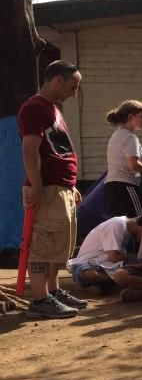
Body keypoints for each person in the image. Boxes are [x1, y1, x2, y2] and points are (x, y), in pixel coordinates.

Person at [18, 60, 88, 319]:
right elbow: (30, 149)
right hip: (46, 188)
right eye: (73, 86)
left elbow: (58, 149)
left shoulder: (53, 109)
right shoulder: (34, 107)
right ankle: (40, 299)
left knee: (59, 243)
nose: (74, 92)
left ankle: (53, 291)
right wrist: (36, 186)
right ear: (57, 79)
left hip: (61, 187)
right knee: (44, 243)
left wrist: (71, 185)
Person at [66, 213, 142, 289]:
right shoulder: (117, 224)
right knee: (90, 274)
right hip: (89, 263)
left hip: (109, 266)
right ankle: (116, 281)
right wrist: (135, 257)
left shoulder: (130, 234)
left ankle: (105, 284)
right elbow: (114, 257)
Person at [104, 100, 142, 218]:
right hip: (126, 186)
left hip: (111, 187)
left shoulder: (117, 135)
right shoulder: (130, 137)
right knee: (140, 222)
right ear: (130, 116)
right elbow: (133, 165)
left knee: (122, 227)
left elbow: (126, 160)